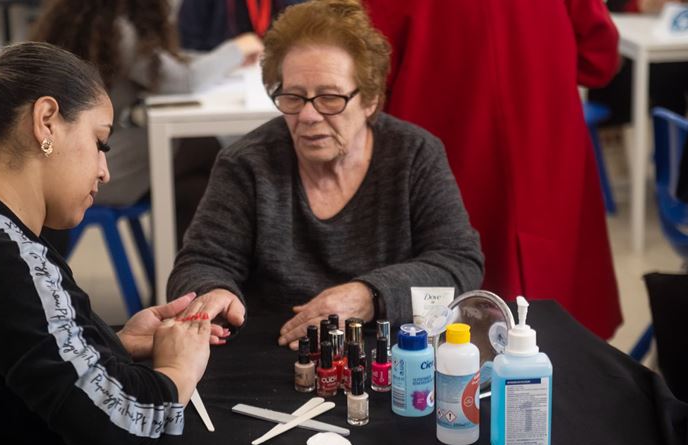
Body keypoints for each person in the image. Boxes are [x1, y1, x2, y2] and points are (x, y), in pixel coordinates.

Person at [0, 42, 234, 445]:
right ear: (46, 122)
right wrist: (176, 372)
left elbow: (15, 360)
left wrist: (110, 344)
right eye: (101, 143)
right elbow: (119, 423)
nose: (105, 170)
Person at [166, 0, 484, 349]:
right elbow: (200, 263)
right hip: (275, 355)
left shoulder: (413, 155)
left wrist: (370, 295)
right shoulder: (247, 164)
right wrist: (215, 291)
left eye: (330, 98)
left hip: (392, 359)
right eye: (293, 97)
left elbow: (459, 264)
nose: (308, 116)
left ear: (371, 99)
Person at [364, 0, 623, 339]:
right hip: (544, 147)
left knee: (445, 326)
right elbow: (599, 58)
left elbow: (369, 76)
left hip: (445, 153)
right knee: (558, 324)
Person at [31, 0, 264, 247]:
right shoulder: (118, 32)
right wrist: (236, 49)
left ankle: (185, 277)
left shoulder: (92, 23)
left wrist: (225, 59)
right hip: (91, 166)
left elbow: (168, 65)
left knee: (194, 189)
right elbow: (183, 81)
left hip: (72, 157)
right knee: (214, 151)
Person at [178, 0, 305, 52]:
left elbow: (308, 41)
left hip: (281, 73)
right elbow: (187, 48)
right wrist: (231, 53)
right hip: (221, 82)